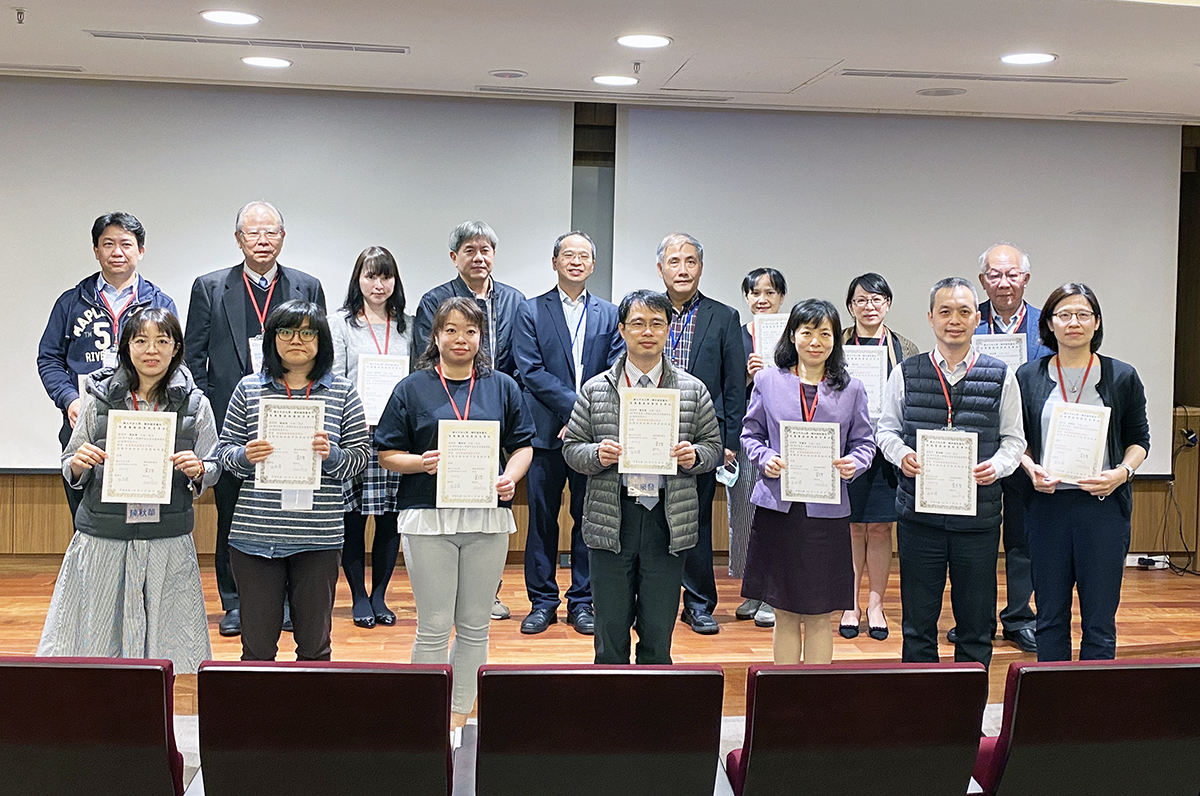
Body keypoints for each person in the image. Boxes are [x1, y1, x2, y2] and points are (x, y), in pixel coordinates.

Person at [375, 297, 534, 729]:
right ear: (436, 336)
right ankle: (422, 717)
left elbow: (522, 445)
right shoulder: (413, 387)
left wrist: (510, 477)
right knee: (434, 624)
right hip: (429, 518)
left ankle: (458, 717)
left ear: (481, 338)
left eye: (470, 331)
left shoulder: (502, 385)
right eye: (451, 330)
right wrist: (420, 463)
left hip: (486, 518)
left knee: (475, 625)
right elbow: (387, 451)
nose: (460, 339)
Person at [39, 307, 216, 673]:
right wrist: (78, 462)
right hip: (105, 537)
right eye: (141, 341)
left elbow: (212, 464)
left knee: (166, 652)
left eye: (162, 341)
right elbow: (71, 460)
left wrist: (199, 469)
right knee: (96, 646)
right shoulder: (98, 397)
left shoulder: (196, 404)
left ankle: (152, 720)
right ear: (126, 347)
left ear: (176, 348)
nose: (151, 350)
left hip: (165, 539)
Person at [185, 201, 326, 637]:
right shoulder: (210, 287)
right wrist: (212, 408)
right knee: (231, 514)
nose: (262, 241)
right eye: (252, 233)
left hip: (294, 420)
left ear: (283, 237)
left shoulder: (307, 285)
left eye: (270, 233)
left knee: (288, 511)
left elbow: (318, 350)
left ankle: (282, 602)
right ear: (238, 239)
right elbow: (193, 354)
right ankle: (234, 603)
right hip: (234, 418)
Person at [562, 290, 723, 665]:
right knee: (610, 635)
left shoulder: (692, 389)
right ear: (622, 329)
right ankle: (610, 713)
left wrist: (694, 455)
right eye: (637, 323)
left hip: (667, 522)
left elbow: (713, 447)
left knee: (657, 633)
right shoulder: (596, 388)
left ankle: (652, 716)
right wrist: (596, 454)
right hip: (612, 518)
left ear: (669, 330)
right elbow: (572, 448)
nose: (647, 331)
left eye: (656, 323)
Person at [876, 277, 1026, 668]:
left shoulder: (1000, 375)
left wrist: (998, 466)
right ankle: (922, 720)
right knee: (918, 626)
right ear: (930, 318)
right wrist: (901, 454)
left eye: (963, 311)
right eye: (945, 312)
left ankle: (967, 719)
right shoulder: (906, 372)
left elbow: (1014, 440)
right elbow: (886, 429)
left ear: (977, 318)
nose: (954, 320)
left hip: (978, 522)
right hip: (919, 520)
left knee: (977, 627)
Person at [215, 300, 370, 662]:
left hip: (319, 537)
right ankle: (258, 720)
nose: (295, 340)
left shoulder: (343, 391)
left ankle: (310, 720)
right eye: (285, 331)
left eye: (306, 332)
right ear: (272, 338)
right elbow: (224, 454)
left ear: (322, 340)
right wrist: (244, 456)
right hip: (256, 538)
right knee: (257, 648)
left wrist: (331, 455)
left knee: (315, 648)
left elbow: (361, 458)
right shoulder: (249, 389)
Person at [1016, 283, 1149, 661]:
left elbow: (1139, 439)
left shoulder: (1121, 376)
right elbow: (1017, 439)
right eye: (1064, 315)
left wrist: (1120, 473)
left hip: (1103, 508)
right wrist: (1030, 468)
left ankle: (1094, 712)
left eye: (1083, 315)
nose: (1073, 322)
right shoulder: (1029, 376)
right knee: (1050, 617)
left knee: (1100, 621)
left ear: (1096, 323)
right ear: (1050, 324)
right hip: (1048, 507)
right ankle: (1051, 710)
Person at [741, 299, 875, 664]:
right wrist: (765, 457)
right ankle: (781, 699)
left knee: (819, 613)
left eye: (825, 333)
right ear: (793, 335)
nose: (815, 341)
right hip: (778, 510)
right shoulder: (768, 380)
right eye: (807, 332)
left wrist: (854, 463)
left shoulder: (852, 389)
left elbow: (865, 442)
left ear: (835, 340)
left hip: (825, 512)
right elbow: (750, 434)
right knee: (784, 611)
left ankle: (814, 704)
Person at [411, 220, 526, 620]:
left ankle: (485, 593)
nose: (479, 257)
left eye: (486, 250)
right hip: (448, 408)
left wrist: (499, 394)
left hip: (494, 408)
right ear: (454, 257)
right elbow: (424, 357)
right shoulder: (434, 299)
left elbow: (522, 360)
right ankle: (449, 594)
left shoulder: (514, 299)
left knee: (490, 504)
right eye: (470, 250)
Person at [512, 231, 623, 636]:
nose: (576, 262)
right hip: (545, 433)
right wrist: (576, 407)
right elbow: (529, 370)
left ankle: (582, 601)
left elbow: (614, 368)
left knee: (587, 519)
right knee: (542, 520)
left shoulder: (610, 314)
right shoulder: (530, 310)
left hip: (592, 438)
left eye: (584, 256)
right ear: (554, 261)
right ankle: (542, 603)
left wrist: (584, 416)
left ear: (593, 265)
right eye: (568, 255)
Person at [38, 212, 178, 518]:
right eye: (108, 244)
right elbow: (49, 359)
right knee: (87, 516)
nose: (117, 252)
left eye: (126, 244)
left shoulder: (160, 304)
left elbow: (174, 362)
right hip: (85, 421)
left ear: (141, 250)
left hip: (143, 421)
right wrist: (69, 400)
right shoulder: (71, 302)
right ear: (96, 250)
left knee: (140, 515)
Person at [957, 241, 1055, 653]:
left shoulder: (1045, 326)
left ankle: (1018, 617)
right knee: (972, 542)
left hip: (1028, 447)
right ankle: (972, 619)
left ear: (1026, 279)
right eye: (994, 275)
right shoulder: (967, 321)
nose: (1003, 282)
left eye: (1011, 274)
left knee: (1021, 540)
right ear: (983, 280)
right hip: (975, 448)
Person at [655, 233, 747, 635]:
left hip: (702, 438)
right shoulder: (645, 311)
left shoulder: (722, 316)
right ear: (660, 269)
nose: (683, 269)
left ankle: (698, 603)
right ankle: (654, 601)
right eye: (674, 261)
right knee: (651, 521)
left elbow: (733, 385)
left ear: (701, 268)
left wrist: (728, 441)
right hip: (648, 435)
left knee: (696, 523)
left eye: (690, 261)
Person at [329, 246, 414, 628]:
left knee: (389, 518)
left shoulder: (408, 326)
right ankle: (358, 596)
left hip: (396, 435)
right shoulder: (341, 324)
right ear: (357, 279)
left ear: (395, 281)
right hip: (355, 433)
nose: (378, 285)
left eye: (385, 276)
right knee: (352, 517)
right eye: (370, 276)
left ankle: (380, 595)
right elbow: (335, 379)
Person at [838, 273, 920, 642]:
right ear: (850, 306)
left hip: (888, 448)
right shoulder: (837, 343)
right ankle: (849, 603)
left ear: (887, 304)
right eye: (861, 300)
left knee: (880, 527)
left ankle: (875, 605)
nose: (869, 307)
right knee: (852, 526)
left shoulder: (905, 347)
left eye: (876, 300)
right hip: (847, 448)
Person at [730, 267, 788, 629]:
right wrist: (747, 376)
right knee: (744, 514)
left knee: (776, 515)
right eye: (755, 293)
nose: (762, 299)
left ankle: (773, 593)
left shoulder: (795, 335)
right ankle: (753, 588)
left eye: (770, 292)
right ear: (747, 298)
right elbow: (728, 385)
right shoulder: (736, 336)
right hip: (747, 434)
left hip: (783, 436)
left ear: (781, 296)